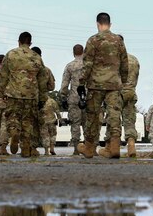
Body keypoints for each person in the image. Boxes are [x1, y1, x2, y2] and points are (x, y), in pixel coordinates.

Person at [78, 13, 129, 159]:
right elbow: (124, 63)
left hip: (95, 84)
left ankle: (89, 148)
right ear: (110, 24)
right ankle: (114, 146)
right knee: (114, 114)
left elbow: (87, 64)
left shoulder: (93, 40)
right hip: (114, 84)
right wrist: (123, 81)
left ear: (97, 24)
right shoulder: (118, 40)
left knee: (93, 116)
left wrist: (81, 82)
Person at [0, 32, 49, 158]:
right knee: (27, 121)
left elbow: (3, 75)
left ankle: (14, 133)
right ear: (30, 43)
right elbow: (42, 79)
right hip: (31, 95)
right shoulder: (36, 57)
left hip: (13, 94)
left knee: (12, 118)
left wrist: (0, 92)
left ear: (19, 41)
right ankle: (26, 148)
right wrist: (42, 98)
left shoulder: (11, 54)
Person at [60, 44, 85, 154]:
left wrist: (63, 96)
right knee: (89, 124)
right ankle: (90, 148)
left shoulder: (70, 66)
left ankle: (76, 149)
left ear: (73, 53)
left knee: (75, 124)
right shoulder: (89, 65)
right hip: (88, 98)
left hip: (74, 98)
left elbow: (65, 84)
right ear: (83, 52)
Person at [31, 46, 56, 151]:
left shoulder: (27, 69)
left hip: (29, 99)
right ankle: (38, 148)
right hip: (42, 101)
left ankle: (29, 147)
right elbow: (52, 87)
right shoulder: (47, 70)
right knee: (41, 125)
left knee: (29, 123)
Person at [121, 53, 141, 157]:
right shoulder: (134, 59)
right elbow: (136, 77)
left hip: (117, 93)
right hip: (131, 92)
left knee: (113, 120)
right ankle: (131, 143)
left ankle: (111, 147)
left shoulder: (115, 58)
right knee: (129, 120)